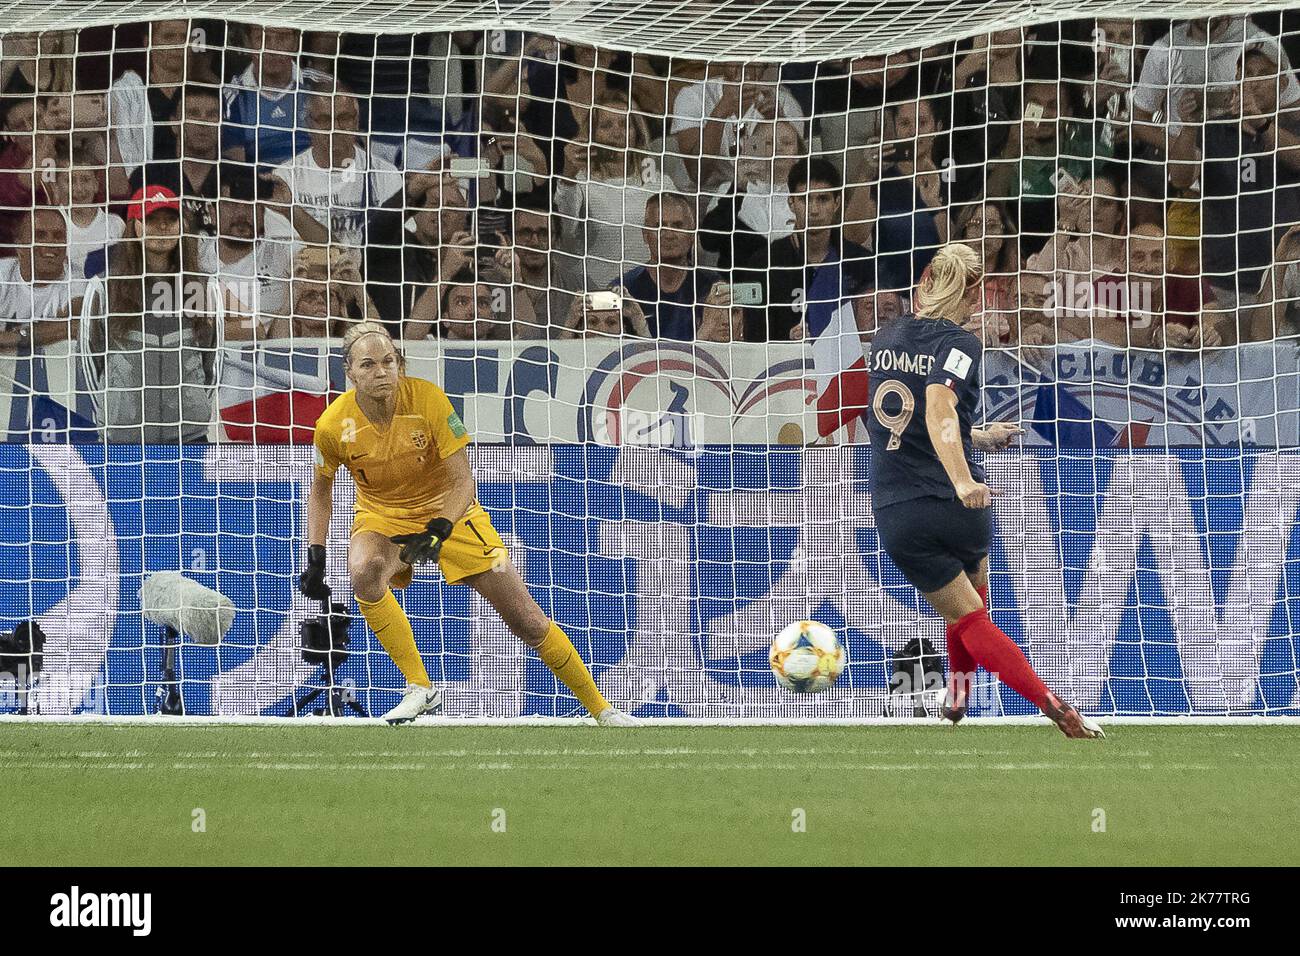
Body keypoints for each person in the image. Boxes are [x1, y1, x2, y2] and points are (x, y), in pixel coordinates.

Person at [298, 321, 635, 726]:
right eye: (368, 364)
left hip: (451, 513)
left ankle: (602, 709)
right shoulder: (332, 425)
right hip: (383, 515)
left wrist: (439, 528)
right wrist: (315, 552)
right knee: (364, 572)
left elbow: (463, 479)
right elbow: (321, 489)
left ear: (400, 364)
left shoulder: (429, 401)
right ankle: (420, 688)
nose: (381, 371)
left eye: (389, 361)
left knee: (526, 620)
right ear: (349, 372)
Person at [866, 241, 1104, 738]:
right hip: (960, 504)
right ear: (975, 294)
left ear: (926, 281)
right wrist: (963, 478)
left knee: (966, 616)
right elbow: (937, 409)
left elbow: (909, 417)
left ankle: (1051, 705)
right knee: (973, 612)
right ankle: (957, 701)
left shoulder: (885, 338)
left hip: (902, 507)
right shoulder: (961, 344)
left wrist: (976, 438)